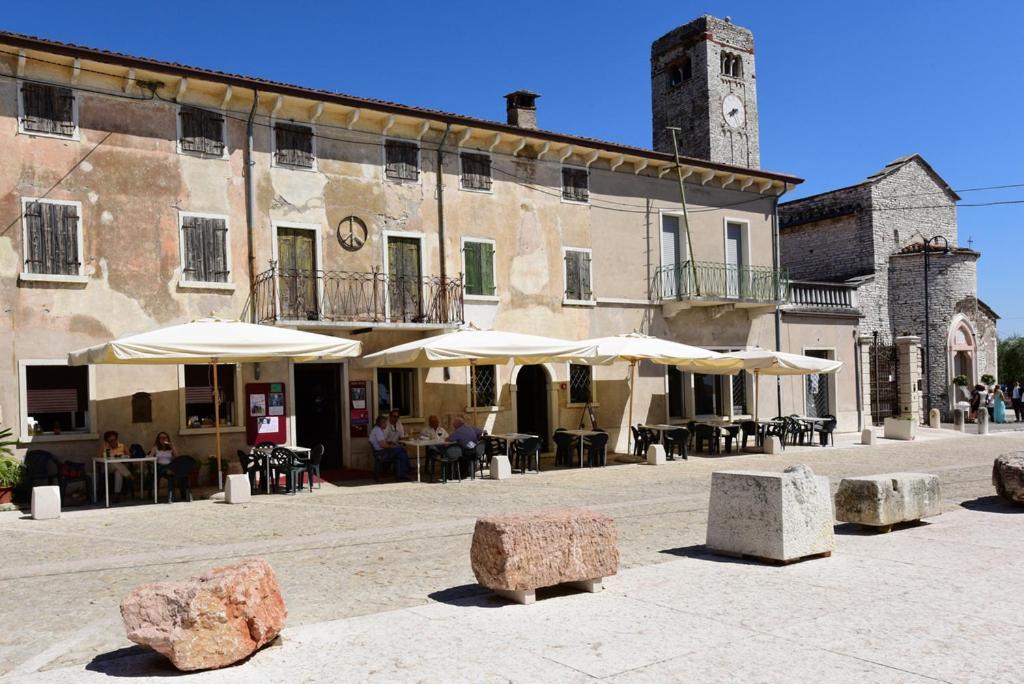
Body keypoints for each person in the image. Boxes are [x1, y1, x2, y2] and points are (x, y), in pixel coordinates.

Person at [369, 415, 410, 481]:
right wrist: (393, 446)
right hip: (381, 453)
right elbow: (383, 445)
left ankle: (401, 476)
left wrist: (390, 442)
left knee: (401, 455)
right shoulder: (378, 431)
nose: (386, 424)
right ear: (381, 423)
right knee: (402, 450)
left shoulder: (376, 429)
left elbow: (382, 442)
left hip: (381, 452)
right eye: (385, 423)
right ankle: (402, 475)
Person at [100, 430, 132, 500]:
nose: (113, 442)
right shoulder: (105, 447)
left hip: (121, 466)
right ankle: (128, 475)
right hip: (108, 467)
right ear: (107, 441)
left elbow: (129, 456)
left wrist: (121, 456)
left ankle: (116, 494)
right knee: (112, 460)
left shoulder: (122, 446)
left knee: (118, 472)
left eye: (115, 440)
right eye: (110, 440)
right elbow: (99, 459)